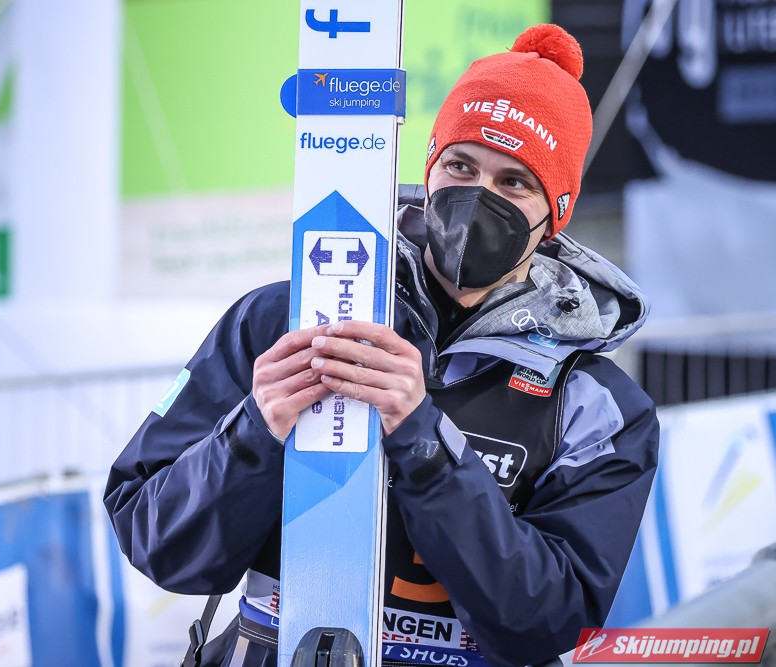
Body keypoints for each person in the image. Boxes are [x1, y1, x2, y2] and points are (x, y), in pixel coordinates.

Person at [105, 23, 659, 667]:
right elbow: (154, 540)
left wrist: (424, 442)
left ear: (555, 211)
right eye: (461, 165)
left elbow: (547, 620)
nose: (478, 197)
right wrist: (253, 433)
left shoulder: (597, 405)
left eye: (514, 182)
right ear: (429, 167)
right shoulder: (280, 320)